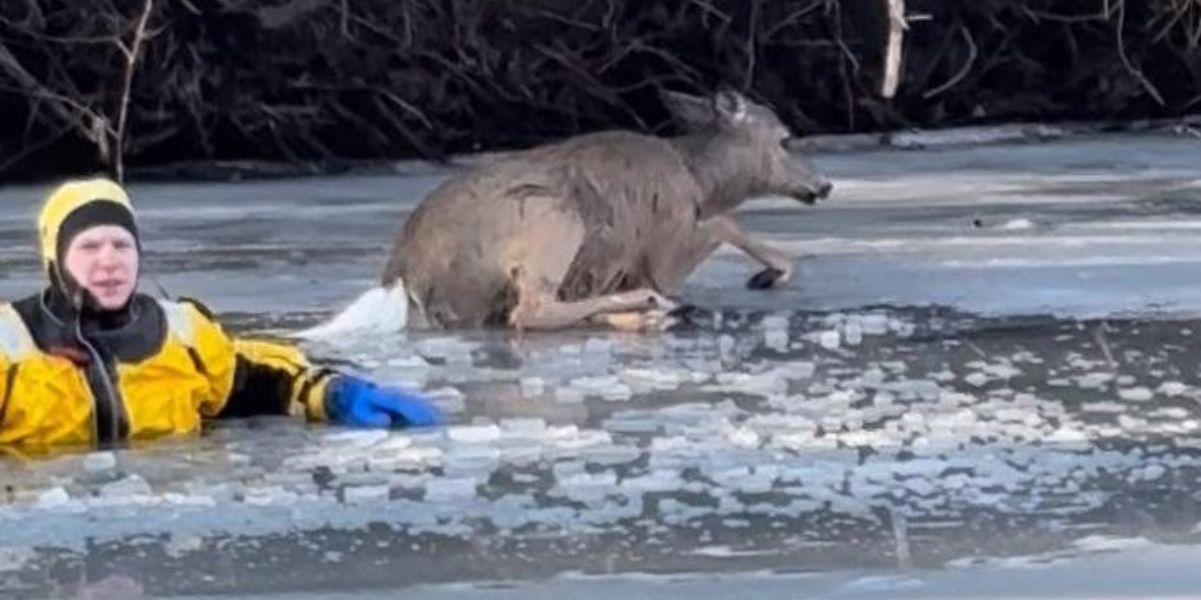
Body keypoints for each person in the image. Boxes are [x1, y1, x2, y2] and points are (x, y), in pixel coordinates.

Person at [0, 177, 442, 448]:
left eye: (122, 245)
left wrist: (333, 393)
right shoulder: (10, 344)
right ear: (55, 261)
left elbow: (252, 377)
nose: (109, 261)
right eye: (89, 247)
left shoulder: (184, 337)